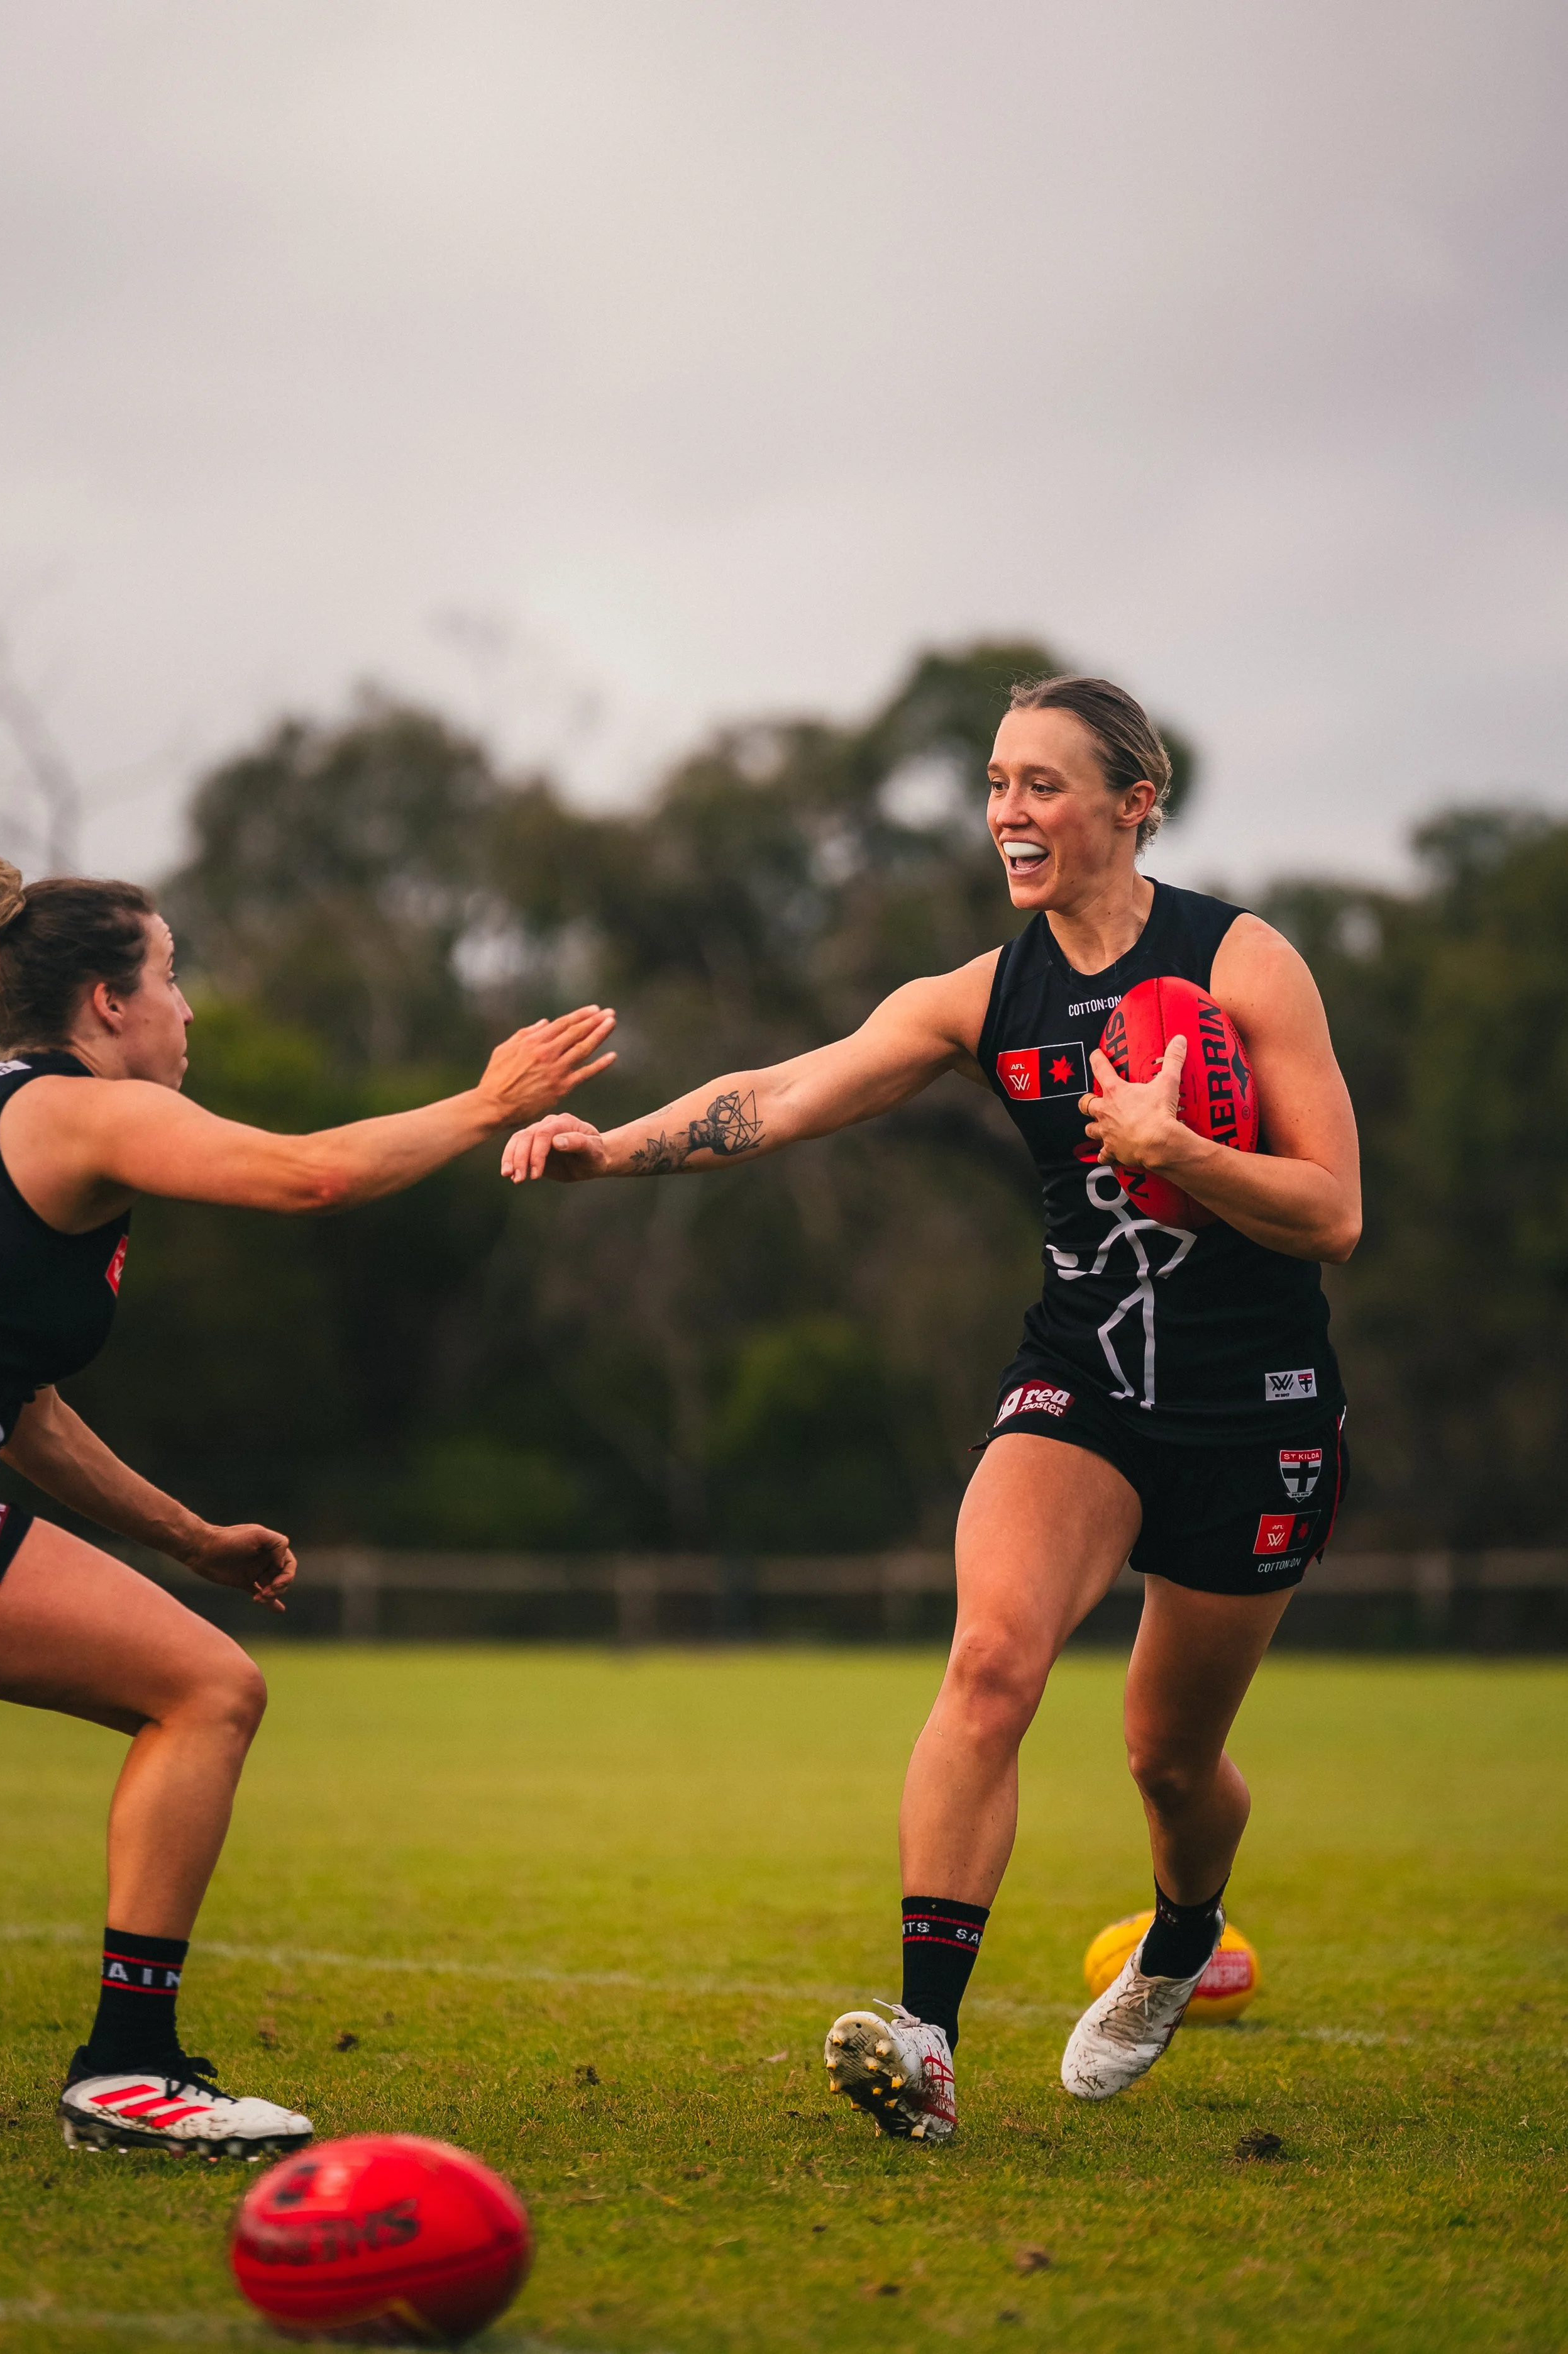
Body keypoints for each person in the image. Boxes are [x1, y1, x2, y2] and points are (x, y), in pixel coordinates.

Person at [501, 674, 1361, 2139]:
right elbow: (777, 1094)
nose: (1007, 815)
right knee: (987, 1663)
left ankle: (1176, 1936)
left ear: (1131, 801)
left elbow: (1329, 1210)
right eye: (993, 783)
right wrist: (608, 1151)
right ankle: (924, 2033)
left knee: (1167, 1753)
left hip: (1253, 1408)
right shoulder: (981, 992)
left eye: (1040, 783)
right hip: (1079, 1381)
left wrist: (1174, 1146)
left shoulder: (1243, 961)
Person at [0, 857, 614, 2157]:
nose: (187, 1008)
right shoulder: (70, 1109)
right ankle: (128, 2066)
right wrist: (488, 1103)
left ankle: (130, 2064)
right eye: (169, 978)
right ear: (106, 1001)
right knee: (207, 1691)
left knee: (200, 1681)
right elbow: (307, 1174)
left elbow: (26, 1410)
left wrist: (189, 1537)